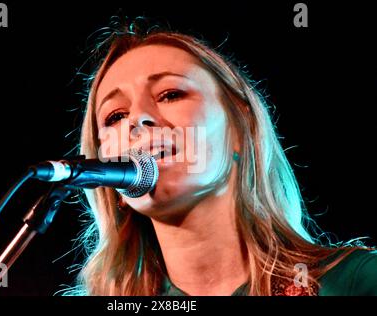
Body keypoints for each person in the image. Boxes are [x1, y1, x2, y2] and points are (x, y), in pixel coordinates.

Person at [62, 17, 377, 296]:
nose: (137, 119)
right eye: (115, 116)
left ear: (240, 129)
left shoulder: (357, 282)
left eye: (170, 94)